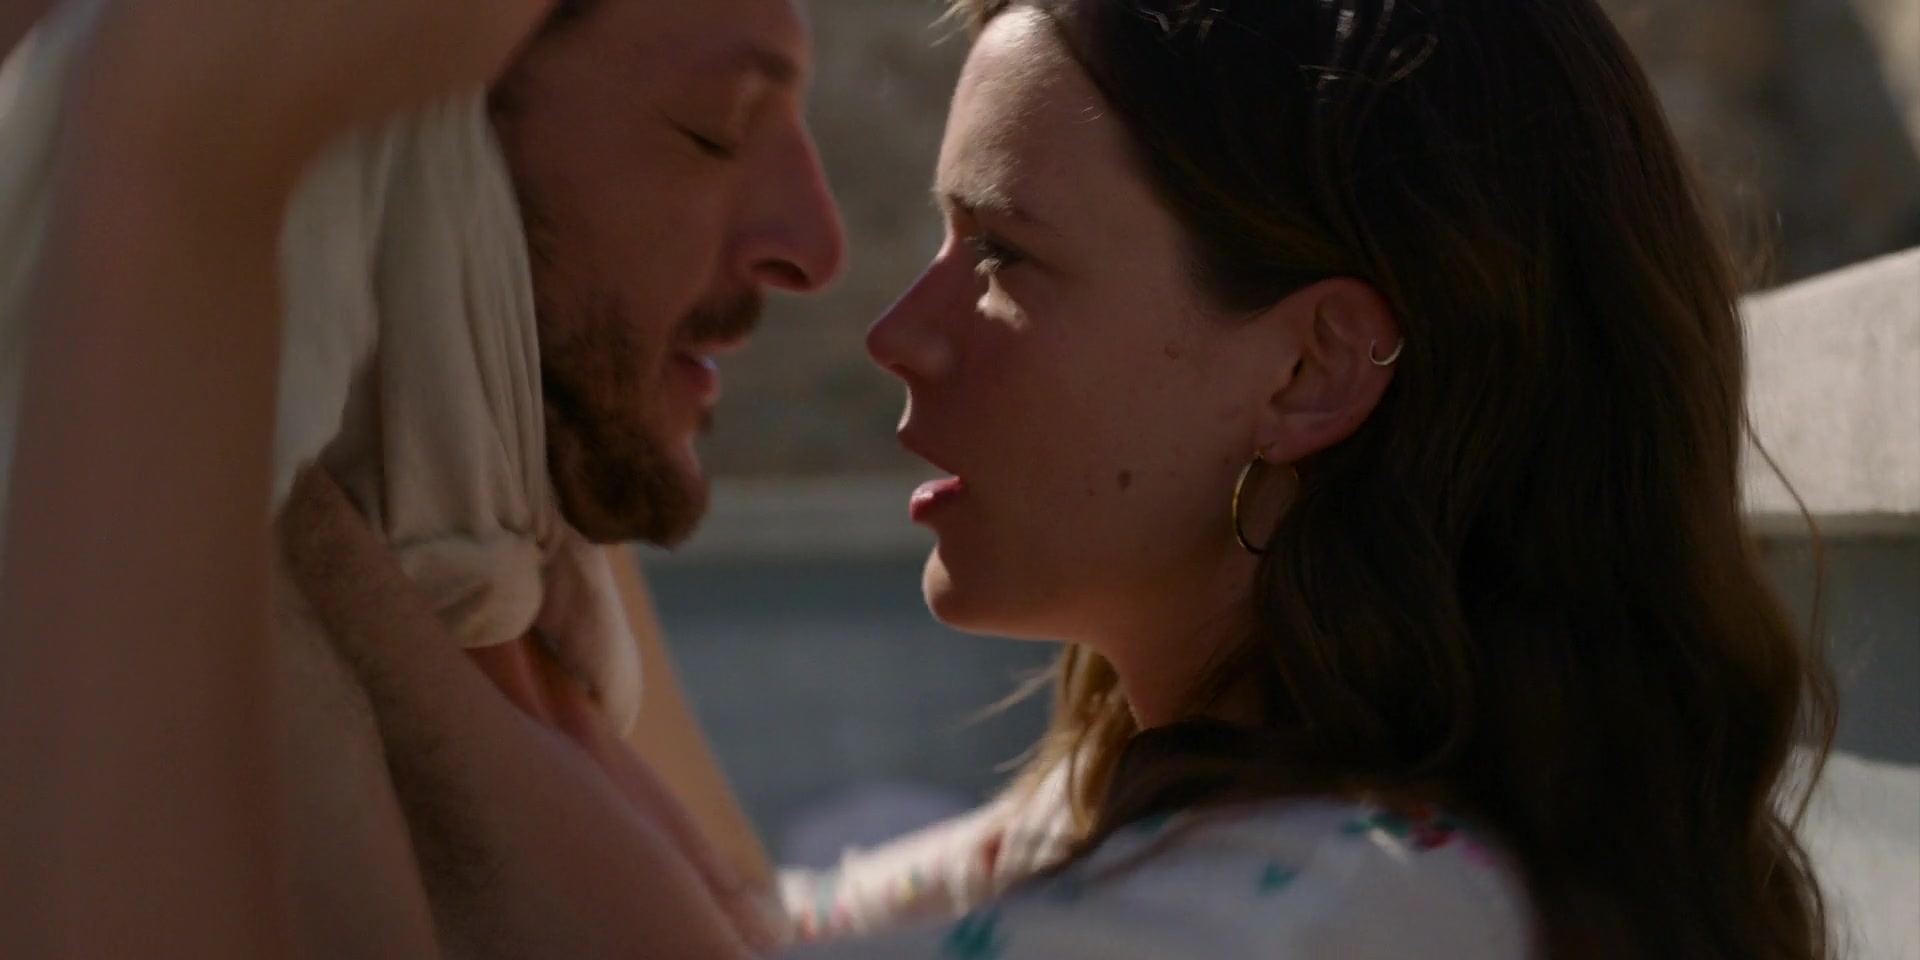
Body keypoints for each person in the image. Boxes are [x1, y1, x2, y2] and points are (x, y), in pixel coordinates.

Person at [5, 2, 1841, 960]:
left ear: (1306, 370)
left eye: (1003, 259)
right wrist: (533, 383)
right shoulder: (1189, 828)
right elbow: (735, 924)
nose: (892, 325)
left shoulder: (1360, 919)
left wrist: (179, 175)